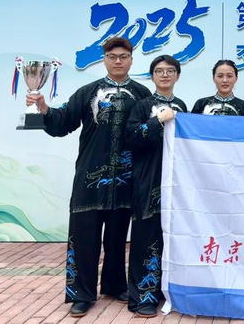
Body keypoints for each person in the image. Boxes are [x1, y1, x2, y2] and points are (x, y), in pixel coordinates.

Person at [26, 37, 151, 318]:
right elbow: (63, 123)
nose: (118, 61)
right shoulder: (88, 92)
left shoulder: (142, 94)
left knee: (117, 238)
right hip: (89, 180)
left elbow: (148, 133)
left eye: (123, 56)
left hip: (126, 180)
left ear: (131, 60)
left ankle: (115, 285)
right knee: (85, 239)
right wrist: (44, 108)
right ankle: (82, 294)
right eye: (112, 56)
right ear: (104, 60)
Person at [125, 55, 187, 318]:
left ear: (177, 76)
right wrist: (158, 120)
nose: (165, 75)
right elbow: (130, 137)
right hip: (148, 178)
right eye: (159, 71)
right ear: (152, 76)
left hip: (176, 182)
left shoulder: (182, 106)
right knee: (145, 236)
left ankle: (167, 290)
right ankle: (144, 296)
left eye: (170, 71)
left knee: (172, 237)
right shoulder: (142, 105)